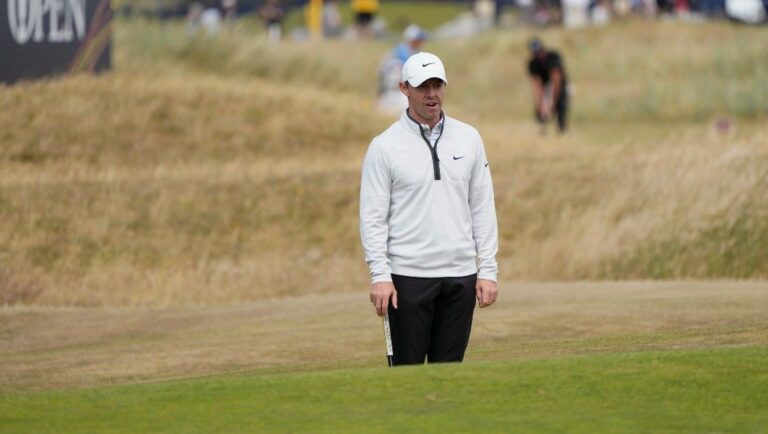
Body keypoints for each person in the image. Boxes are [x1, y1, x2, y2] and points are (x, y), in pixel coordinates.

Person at [360, 52, 499, 366]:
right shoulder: (384, 147)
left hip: (461, 277)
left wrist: (487, 270)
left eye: (437, 84)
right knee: (406, 376)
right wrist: (380, 275)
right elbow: (373, 217)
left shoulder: (469, 138)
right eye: (423, 86)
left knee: (449, 374)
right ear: (404, 88)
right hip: (408, 279)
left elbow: (482, 207)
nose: (432, 93)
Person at [377, 25, 428, 113]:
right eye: (418, 40)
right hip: (396, 93)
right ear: (412, 39)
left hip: (400, 93)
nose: (420, 42)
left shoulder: (411, 52)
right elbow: (384, 73)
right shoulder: (401, 53)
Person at [527, 37, 569, 134]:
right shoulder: (533, 64)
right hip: (545, 85)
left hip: (560, 85)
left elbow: (557, 80)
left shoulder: (553, 57)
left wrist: (554, 102)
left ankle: (561, 129)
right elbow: (537, 84)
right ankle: (543, 126)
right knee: (542, 107)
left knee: (561, 105)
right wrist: (540, 103)